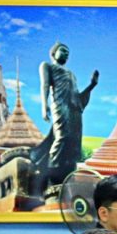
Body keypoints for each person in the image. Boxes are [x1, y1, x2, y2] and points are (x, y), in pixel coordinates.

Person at [35, 41, 99, 190]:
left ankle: (68, 177)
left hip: (74, 110)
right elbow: (45, 85)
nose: (66, 54)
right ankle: (51, 176)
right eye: (63, 50)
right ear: (53, 53)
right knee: (62, 137)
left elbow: (78, 97)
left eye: (68, 53)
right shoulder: (47, 66)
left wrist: (92, 85)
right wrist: (44, 105)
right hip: (60, 105)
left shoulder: (72, 74)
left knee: (72, 142)